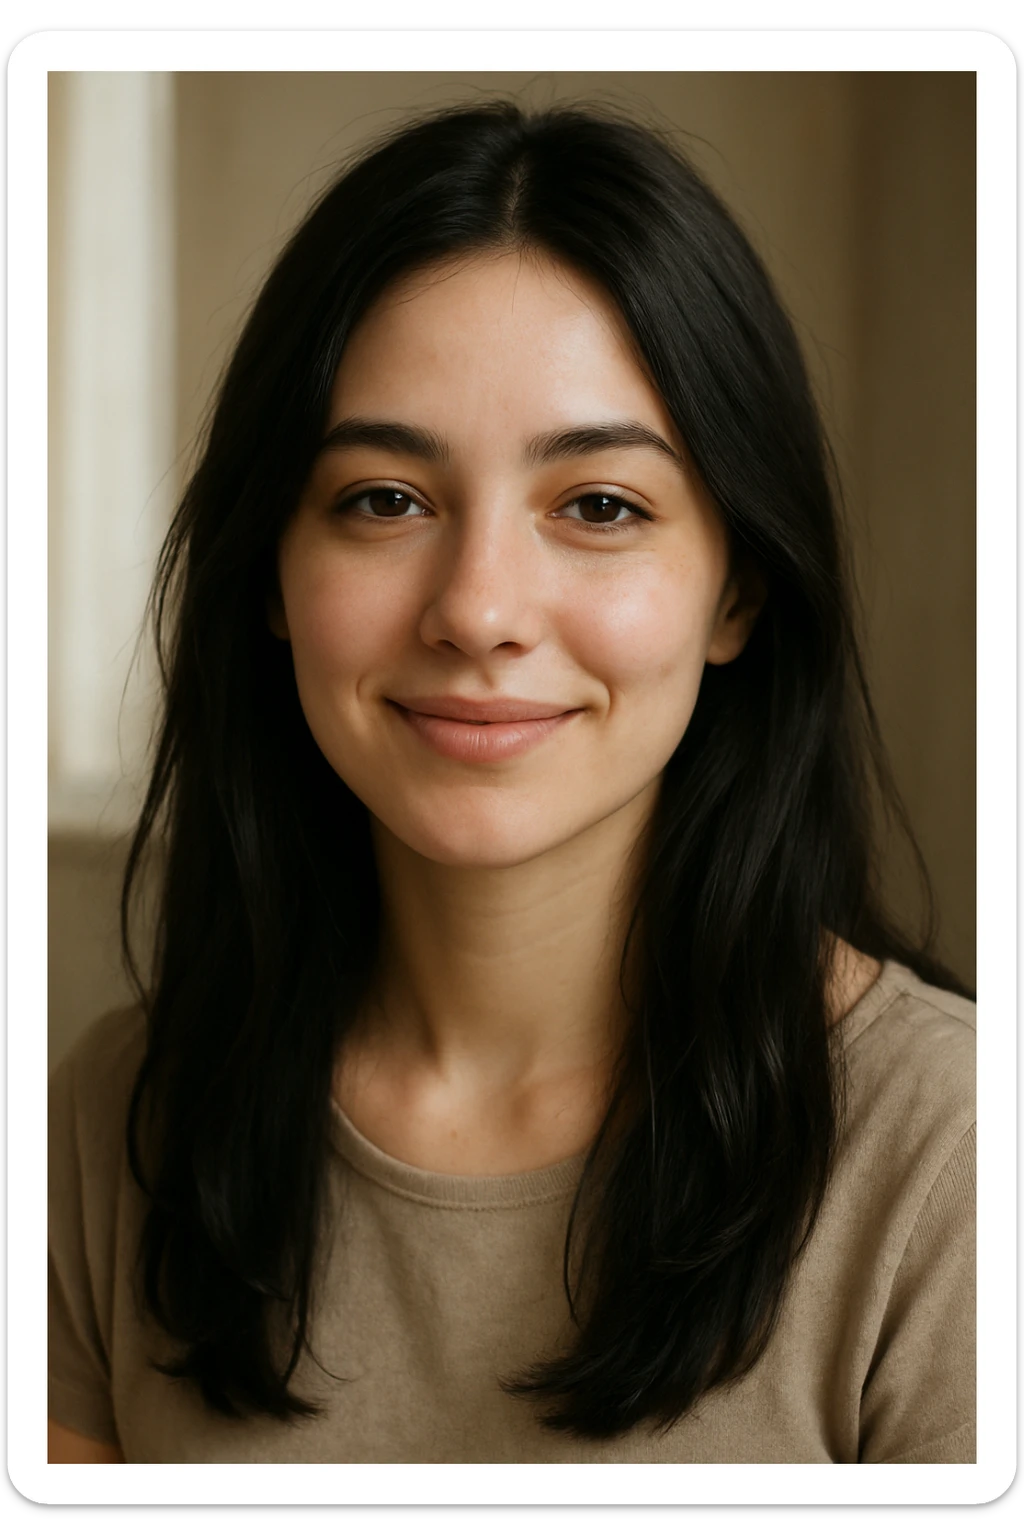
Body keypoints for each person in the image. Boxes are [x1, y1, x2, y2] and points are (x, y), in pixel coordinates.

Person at [48, 100, 975, 1465]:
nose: (478, 610)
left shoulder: (950, 1168)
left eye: (599, 506)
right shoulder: (111, 1120)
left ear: (740, 590)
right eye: (383, 499)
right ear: (272, 582)